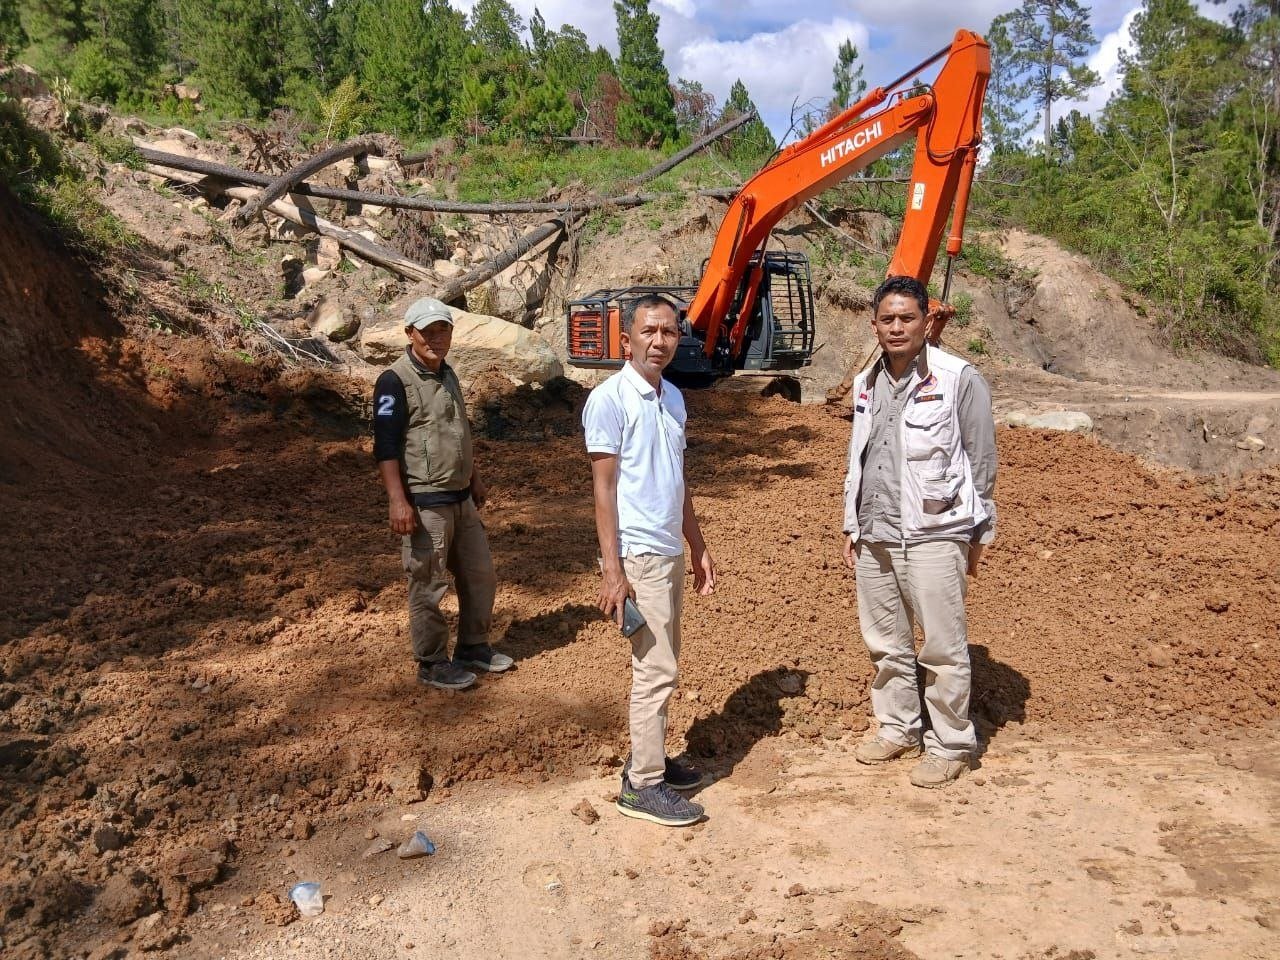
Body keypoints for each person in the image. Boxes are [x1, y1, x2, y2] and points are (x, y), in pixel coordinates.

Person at [841, 275, 997, 788]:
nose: (897, 327)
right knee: (886, 641)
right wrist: (852, 524)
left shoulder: (958, 378)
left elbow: (981, 461)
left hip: (935, 529)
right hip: (876, 531)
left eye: (907, 317)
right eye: (887, 319)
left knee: (943, 646)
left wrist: (977, 534)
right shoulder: (866, 383)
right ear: (874, 325)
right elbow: (860, 458)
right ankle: (897, 727)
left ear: (927, 321)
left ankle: (951, 742)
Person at [583, 294, 717, 827]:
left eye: (669, 332)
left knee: (663, 663)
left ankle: (651, 760)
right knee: (655, 669)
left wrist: (697, 543)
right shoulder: (609, 400)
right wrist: (612, 569)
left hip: (665, 549)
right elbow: (603, 489)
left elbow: (678, 480)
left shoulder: (675, 398)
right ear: (627, 338)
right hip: (636, 553)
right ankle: (642, 784)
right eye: (649, 332)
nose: (659, 342)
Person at [372, 297, 512, 691]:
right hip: (425, 502)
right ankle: (432, 662)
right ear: (409, 333)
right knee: (428, 583)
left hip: (460, 496)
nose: (436, 338)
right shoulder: (393, 380)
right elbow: (384, 445)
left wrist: (475, 477)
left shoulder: (448, 374)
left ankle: (473, 647)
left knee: (479, 574)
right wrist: (397, 500)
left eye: (443, 330)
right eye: (427, 331)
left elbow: (458, 431)